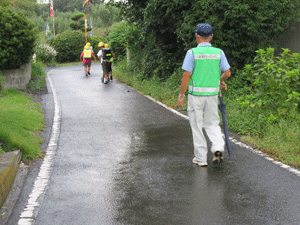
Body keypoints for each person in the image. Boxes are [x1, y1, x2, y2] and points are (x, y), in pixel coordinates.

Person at [178, 23, 231, 167]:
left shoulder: (192, 53)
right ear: (211, 36)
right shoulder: (219, 52)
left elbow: (186, 75)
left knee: (197, 126)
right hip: (213, 95)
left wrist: (181, 95)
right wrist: (219, 81)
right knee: (212, 123)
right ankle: (218, 147)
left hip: (196, 96)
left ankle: (201, 159)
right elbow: (227, 73)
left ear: (196, 36)